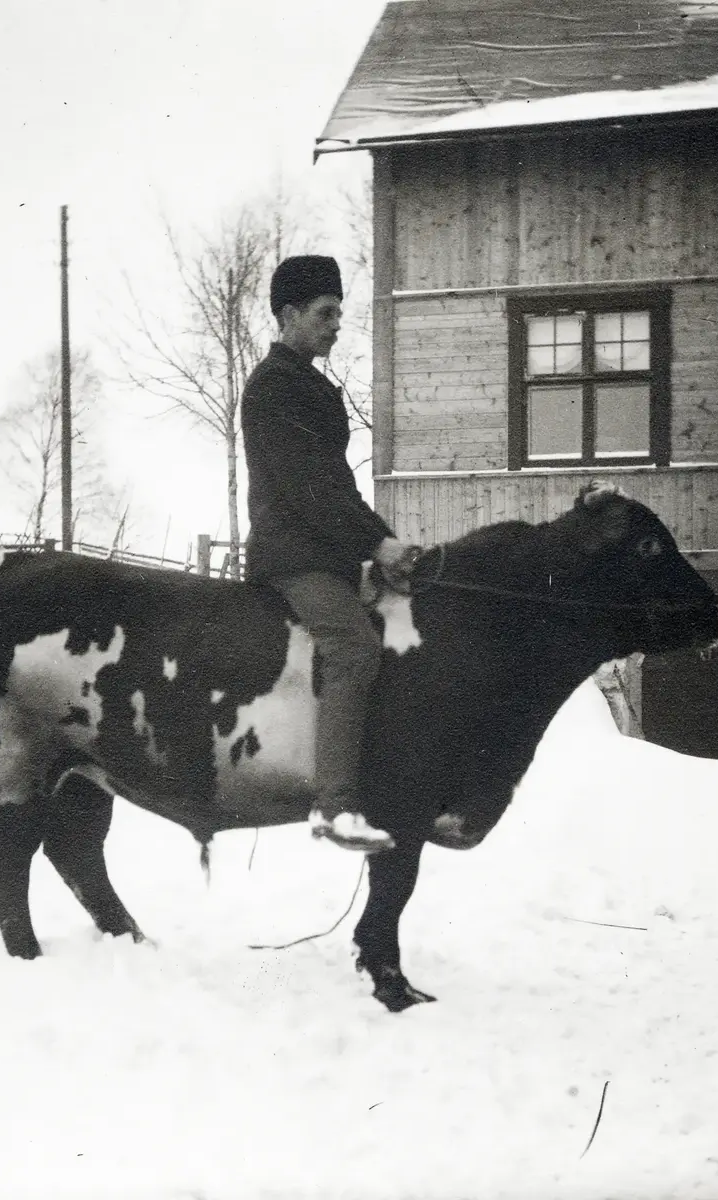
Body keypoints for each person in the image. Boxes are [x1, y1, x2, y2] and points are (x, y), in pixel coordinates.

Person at [241, 255, 419, 852]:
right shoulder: (274, 387)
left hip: (323, 551)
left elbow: (337, 488)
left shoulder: (307, 384)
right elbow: (308, 487)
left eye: (339, 312)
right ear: (289, 315)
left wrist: (380, 544)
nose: (337, 324)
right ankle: (334, 806)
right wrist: (375, 542)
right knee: (355, 648)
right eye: (325, 313)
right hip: (292, 556)